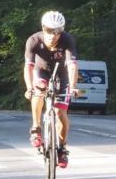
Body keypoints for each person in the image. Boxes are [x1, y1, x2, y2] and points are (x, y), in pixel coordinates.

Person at [23, 11, 78, 168]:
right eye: (49, 30)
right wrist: (29, 87)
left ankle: (62, 148)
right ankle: (36, 128)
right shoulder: (34, 40)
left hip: (61, 74)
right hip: (41, 71)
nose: (54, 35)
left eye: (58, 31)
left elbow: (72, 66)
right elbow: (28, 67)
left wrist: (73, 87)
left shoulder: (67, 40)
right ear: (43, 28)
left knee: (61, 113)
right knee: (38, 90)